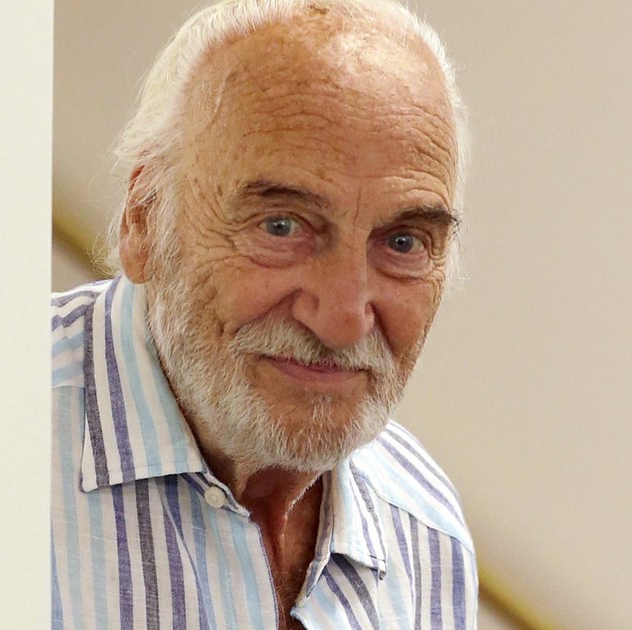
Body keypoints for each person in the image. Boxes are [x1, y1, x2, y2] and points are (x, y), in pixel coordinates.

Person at [50, 1, 476, 627]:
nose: (342, 320)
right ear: (144, 218)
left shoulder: (427, 535)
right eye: (282, 226)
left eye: (403, 242)